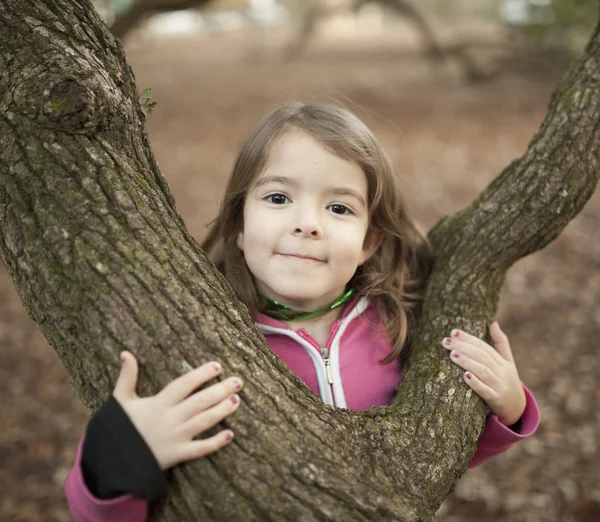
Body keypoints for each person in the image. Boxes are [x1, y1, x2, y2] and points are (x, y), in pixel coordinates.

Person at [64, 102, 540, 521]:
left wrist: (509, 410)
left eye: (338, 208)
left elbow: (429, 461)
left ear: (369, 240)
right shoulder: (201, 336)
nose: (307, 224)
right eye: (278, 198)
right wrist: (120, 454)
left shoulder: (396, 324)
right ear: (239, 227)